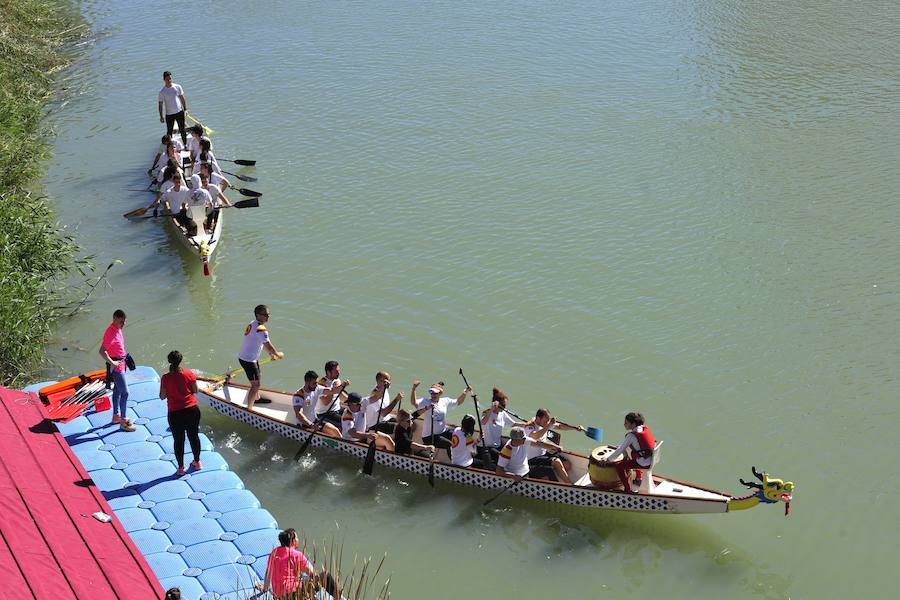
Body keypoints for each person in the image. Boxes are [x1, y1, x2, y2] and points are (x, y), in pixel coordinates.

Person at [159, 350, 202, 476]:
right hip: (192, 410)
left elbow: (162, 396)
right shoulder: (189, 374)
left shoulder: (166, 378)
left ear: (169, 361)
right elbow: (195, 390)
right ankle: (197, 462)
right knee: (194, 436)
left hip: (175, 413)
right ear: (181, 360)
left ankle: (180, 468)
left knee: (179, 440)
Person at [237, 304, 284, 410]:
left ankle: (257, 398)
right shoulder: (261, 329)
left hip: (248, 358)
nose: (268, 317)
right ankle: (249, 409)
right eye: (265, 315)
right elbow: (269, 346)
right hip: (248, 360)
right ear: (257, 315)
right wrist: (277, 354)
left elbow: (261, 343)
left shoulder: (252, 323)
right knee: (255, 385)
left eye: (268, 315)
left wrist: (270, 354)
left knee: (258, 377)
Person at [597, 412, 656, 493]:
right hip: (651, 459)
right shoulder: (644, 429)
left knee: (619, 466)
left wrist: (607, 459)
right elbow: (636, 445)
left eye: (626, 422)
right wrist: (620, 447)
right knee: (632, 453)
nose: (624, 424)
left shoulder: (631, 436)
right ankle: (639, 477)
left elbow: (620, 449)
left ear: (633, 424)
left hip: (644, 462)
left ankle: (627, 489)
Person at [523, 408, 585, 484]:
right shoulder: (529, 426)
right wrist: (549, 425)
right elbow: (535, 436)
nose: (547, 422)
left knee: (566, 464)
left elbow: (560, 426)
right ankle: (570, 485)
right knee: (556, 462)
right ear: (538, 418)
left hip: (543, 454)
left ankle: (552, 476)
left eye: (548, 420)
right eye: (546, 420)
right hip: (531, 460)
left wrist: (575, 428)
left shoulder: (544, 423)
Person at [99, 309, 135, 431]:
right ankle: (123, 421)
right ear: (114, 319)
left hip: (122, 363)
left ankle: (116, 416)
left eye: (124, 322)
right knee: (125, 392)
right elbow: (102, 351)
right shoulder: (110, 333)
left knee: (117, 392)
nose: (123, 325)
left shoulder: (118, 329)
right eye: (121, 322)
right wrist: (113, 362)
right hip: (116, 367)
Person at [410, 380, 470, 452]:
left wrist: (465, 391)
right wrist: (414, 389)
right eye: (431, 392)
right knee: (450, 445)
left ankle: (469, 452)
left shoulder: (445, 401)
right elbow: (414, 403)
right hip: (429, 437)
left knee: (460, 435)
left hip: (443, 432)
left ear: (440, 393)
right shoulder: (426, 402)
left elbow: (458, 402)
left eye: (435, 393)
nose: (433, 395)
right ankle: (454, 462)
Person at [255, 528, 315, 598]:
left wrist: (265, 589)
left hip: (279, 596)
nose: (298, 540)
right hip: (295, 594)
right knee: (326, 576)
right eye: (297, 538)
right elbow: (313, 574)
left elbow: (268, 573)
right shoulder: (297, 555)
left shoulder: (274, 553)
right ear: (293, 541)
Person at [496, 426, 563, 480]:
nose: (525, 439)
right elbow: (499, 471)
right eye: (523, 438)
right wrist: (514, 476)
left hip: (526, 473)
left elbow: (540, 444)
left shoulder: (524, 440)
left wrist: (556, 447)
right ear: (516, 440)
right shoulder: (507, 451)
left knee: (549, 471)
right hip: (516, 479)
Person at [291, 370, 341, 437]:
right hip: (304, 425)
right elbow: (299, 414)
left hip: (315, 421)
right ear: (307, 382)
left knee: (335, 430)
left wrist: (342, 386)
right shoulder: (299, 395)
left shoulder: (317, 388)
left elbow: (332, 391)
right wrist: (311, 425)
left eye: (317, 383)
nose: (316, 385)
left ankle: (344, 444)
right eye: (314, 383)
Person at [480, 387, 522, 462]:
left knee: (513, 449)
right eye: (503, 405)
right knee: (506, 458)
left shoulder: (503, 414)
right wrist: (492, 409)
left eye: (505, 405)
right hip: (488, 446)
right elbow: (483, 422)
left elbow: (514, 424)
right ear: (496, 403)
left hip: (498, 444)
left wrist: (528, 424)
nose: (505, 407)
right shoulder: (486, 413)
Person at [314, 360, 349, 427]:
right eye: (336, 371)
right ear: (328, 372)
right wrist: (334, 390)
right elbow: (326, 402)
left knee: (353, 413)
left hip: (337, 409)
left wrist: (352, 401)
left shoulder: (337, 380)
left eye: (339, 370)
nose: (338, 373)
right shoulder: (321, 384)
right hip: (324, 413)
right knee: (346, 422)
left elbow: (341, 395)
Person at [158, 70, 188, 147]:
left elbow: (182, 98)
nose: (169, 80)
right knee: (169, 132)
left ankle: (185, 145)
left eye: (170, 78)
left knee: (182, 130)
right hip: (169, 115)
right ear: (164, 80)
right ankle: (169, 147)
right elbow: (160, 105)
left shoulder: (177, 87)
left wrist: (186, 109)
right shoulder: (162, 92)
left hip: (179, 112)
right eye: (167, 79)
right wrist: (161, 116)